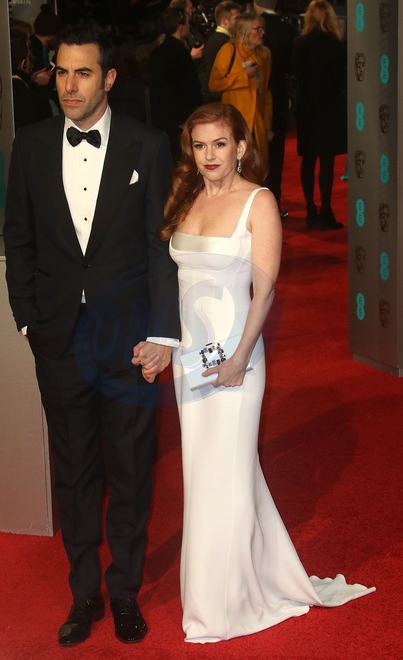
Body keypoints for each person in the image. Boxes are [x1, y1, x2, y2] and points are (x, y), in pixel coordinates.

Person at [153, 102, 374, 642]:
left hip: (236, 358)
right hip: (190, 362)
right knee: (204, 472)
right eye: (199, 145)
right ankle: (234, 583)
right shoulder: (186, 197)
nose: (209, 155)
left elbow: (265, 290)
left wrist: (239, 358)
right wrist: (163, 344)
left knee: (224, 477)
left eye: (219, 144)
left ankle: (223, 607)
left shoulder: (259, 201)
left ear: (241, 146)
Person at [3, 21, 180, 647]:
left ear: (109, 78)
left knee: (130, 467)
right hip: (58, 338)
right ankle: (84, 594)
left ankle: (125, 590)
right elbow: (18, 239)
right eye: (61, 71)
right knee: (74, 470)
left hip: (129, 339)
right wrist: (28, 317)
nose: (68, 85)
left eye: (83, 73)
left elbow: (161, 248)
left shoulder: (147, 145)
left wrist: (163, 333)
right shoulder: (30, 145)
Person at [292, 0, 347, 230]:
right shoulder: (334, 45)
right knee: (326, 161)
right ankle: (326, 210)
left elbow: (293, 74)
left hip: (307, 108)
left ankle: (310, 209)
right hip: (328, 109)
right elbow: (342, 79)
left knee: (308, 160)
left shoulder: (299, 43)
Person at [208, 11, 272, 161]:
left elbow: (266, 92)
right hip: (235, 122)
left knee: (257, 166)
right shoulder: (229, 50)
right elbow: (214, 84)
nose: (262, 32)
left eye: (262, 28)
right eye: (257, 29)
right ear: (245, 31)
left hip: (258, 125)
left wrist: (267, 124)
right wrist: (244, 75)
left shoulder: (264, 54)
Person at [254, 1, 297, 217]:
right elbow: (292, 66)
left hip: (258, 101)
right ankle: (274, 205)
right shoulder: (287, 29)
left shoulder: (250, 27)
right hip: (276, 98)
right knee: (275, 157)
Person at [148, 7, 202, 158]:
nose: (189, 27)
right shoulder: (178, 52)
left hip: (162, 118)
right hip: (180, 120)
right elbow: (187, 88)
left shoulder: (156, 53)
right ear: (181, 26)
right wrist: (185, 117)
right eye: (187, 23)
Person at [202, 1, 241, 101]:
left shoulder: (214, 38)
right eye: (236, 18)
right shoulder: (223, 43)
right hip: (221, 97)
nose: (240, 22)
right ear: (224, 21)